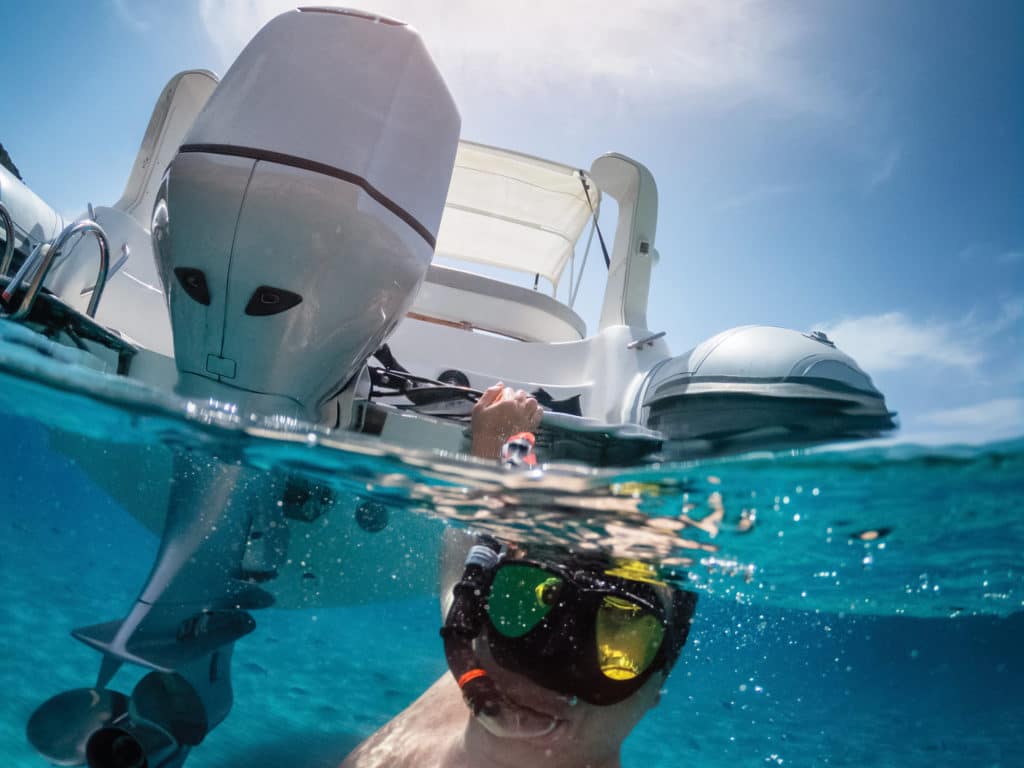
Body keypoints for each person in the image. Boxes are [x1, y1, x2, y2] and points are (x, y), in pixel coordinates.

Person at [340, 532, 698, 768]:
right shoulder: (475, 644)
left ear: (658, 685)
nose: (549, 665)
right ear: (480, 618)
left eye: (619, 637)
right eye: (528, 599)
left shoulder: (494, 662)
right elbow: (461, 550)